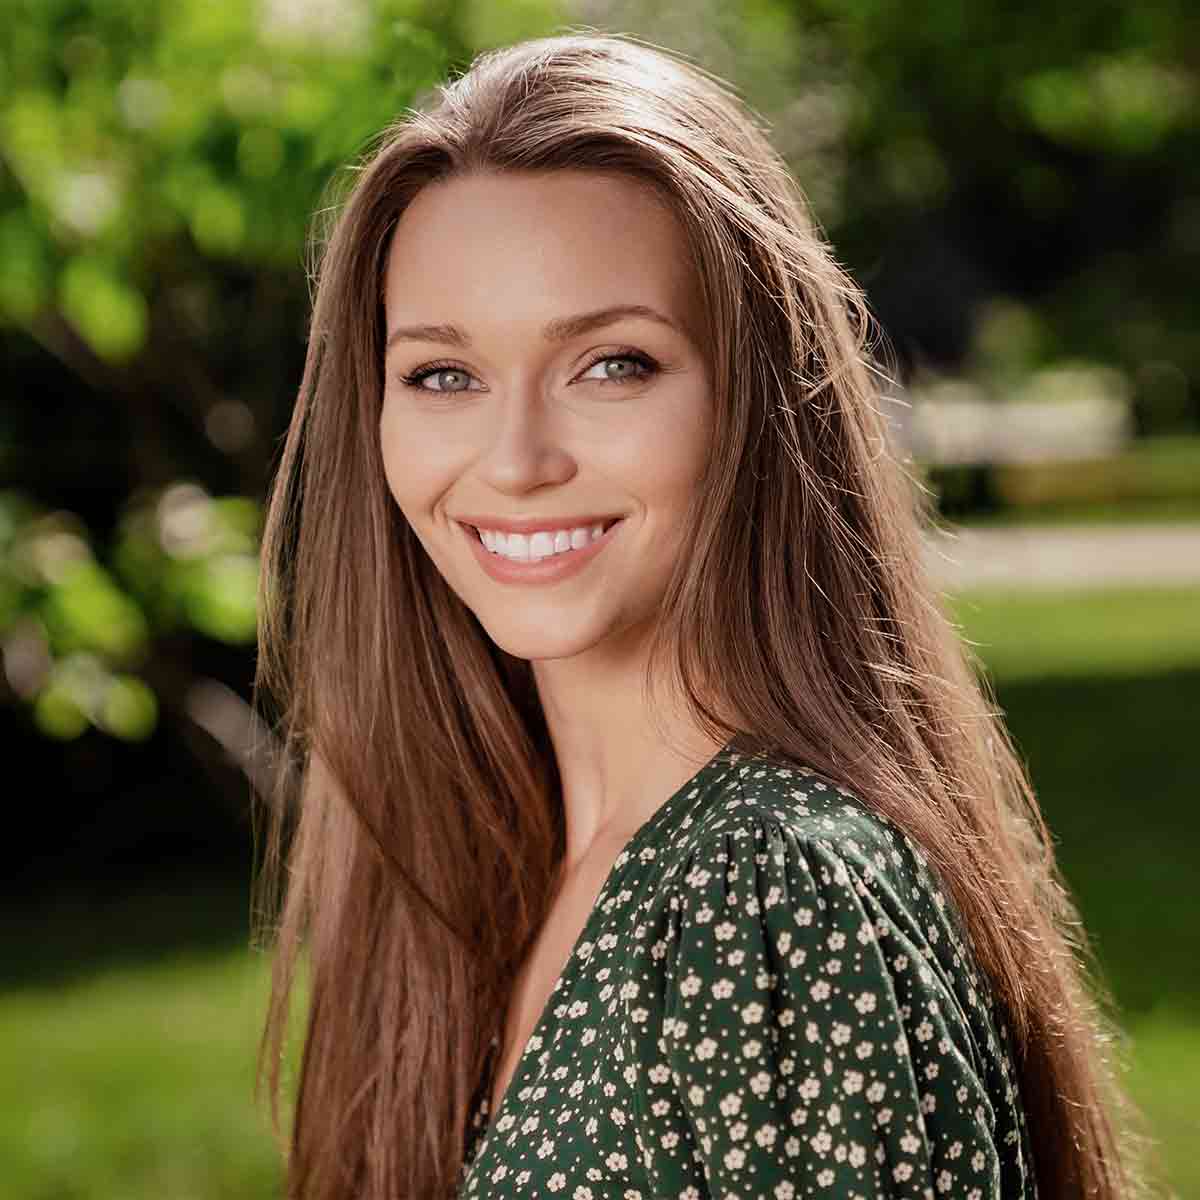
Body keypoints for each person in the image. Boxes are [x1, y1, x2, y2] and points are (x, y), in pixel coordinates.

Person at [251, 29, 1156, 1200]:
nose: (516, 460)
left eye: (612, 365)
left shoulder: (766, 899)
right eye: (443, 375)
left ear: (757, 401)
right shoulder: (478, 867)